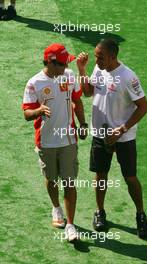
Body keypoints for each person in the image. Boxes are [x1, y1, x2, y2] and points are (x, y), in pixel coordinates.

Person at [76, 39, 147, 239]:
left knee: (130, 177)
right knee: (100, 175)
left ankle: (141, 215)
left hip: (123, 136)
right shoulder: (99, 70)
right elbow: (88, 92)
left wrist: (122, 129)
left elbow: (143, 106)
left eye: (100, 57)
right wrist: (82, 70)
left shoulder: (128, 77)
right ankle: (100, 211)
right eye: (96, 56)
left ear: (112, 56)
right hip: (100, 134)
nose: (96, 59)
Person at [22, 43, 87, 242]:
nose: (67, 67)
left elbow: (77, 101)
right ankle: (56, 207)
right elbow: (26, 113)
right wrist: (38, 111)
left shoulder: (68, 76)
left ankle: (70, 224)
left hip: (68, 139)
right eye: (63, 63)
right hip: (46, 142)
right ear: (51, 63)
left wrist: (83, 123)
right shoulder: (34, 83)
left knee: (69, 182)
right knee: (51, 179)